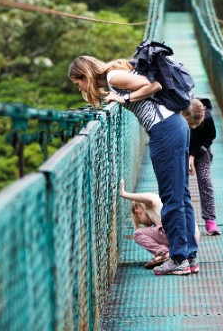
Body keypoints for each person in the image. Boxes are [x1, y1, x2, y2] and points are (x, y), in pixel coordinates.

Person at [69, 55, 199, 276]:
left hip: (165, 130)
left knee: (172, 197)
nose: (79, 87)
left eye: (78, 82)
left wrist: (124, 99)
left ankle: (179, 259)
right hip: (172, 127)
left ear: (86, 75)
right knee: (180, 195)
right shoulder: (114, 78)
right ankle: (188, 256)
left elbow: (154, 85)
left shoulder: (113, 76)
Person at [119, 179, 200, 269]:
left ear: (138, 212)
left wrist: (124, 194)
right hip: (193, 237)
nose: (146, 226)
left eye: (141, 221)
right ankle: (175, 253)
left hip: (178, 234)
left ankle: (165, 253)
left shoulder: (149, 203)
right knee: (160, 230)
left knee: (138, 234)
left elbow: (149, 200)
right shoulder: (161, 202)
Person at [183, 98, 222, 236]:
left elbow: (210, 137)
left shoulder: (208, 119)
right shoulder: (177, 118)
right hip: (181, 151)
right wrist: (187, 156)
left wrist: (193, 155)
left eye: (196, 124)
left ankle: (210, 220)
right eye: (190, 124)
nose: (193, 127)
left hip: (202, 150)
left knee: (205, 181)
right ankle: (183, 222)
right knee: (180, 183)